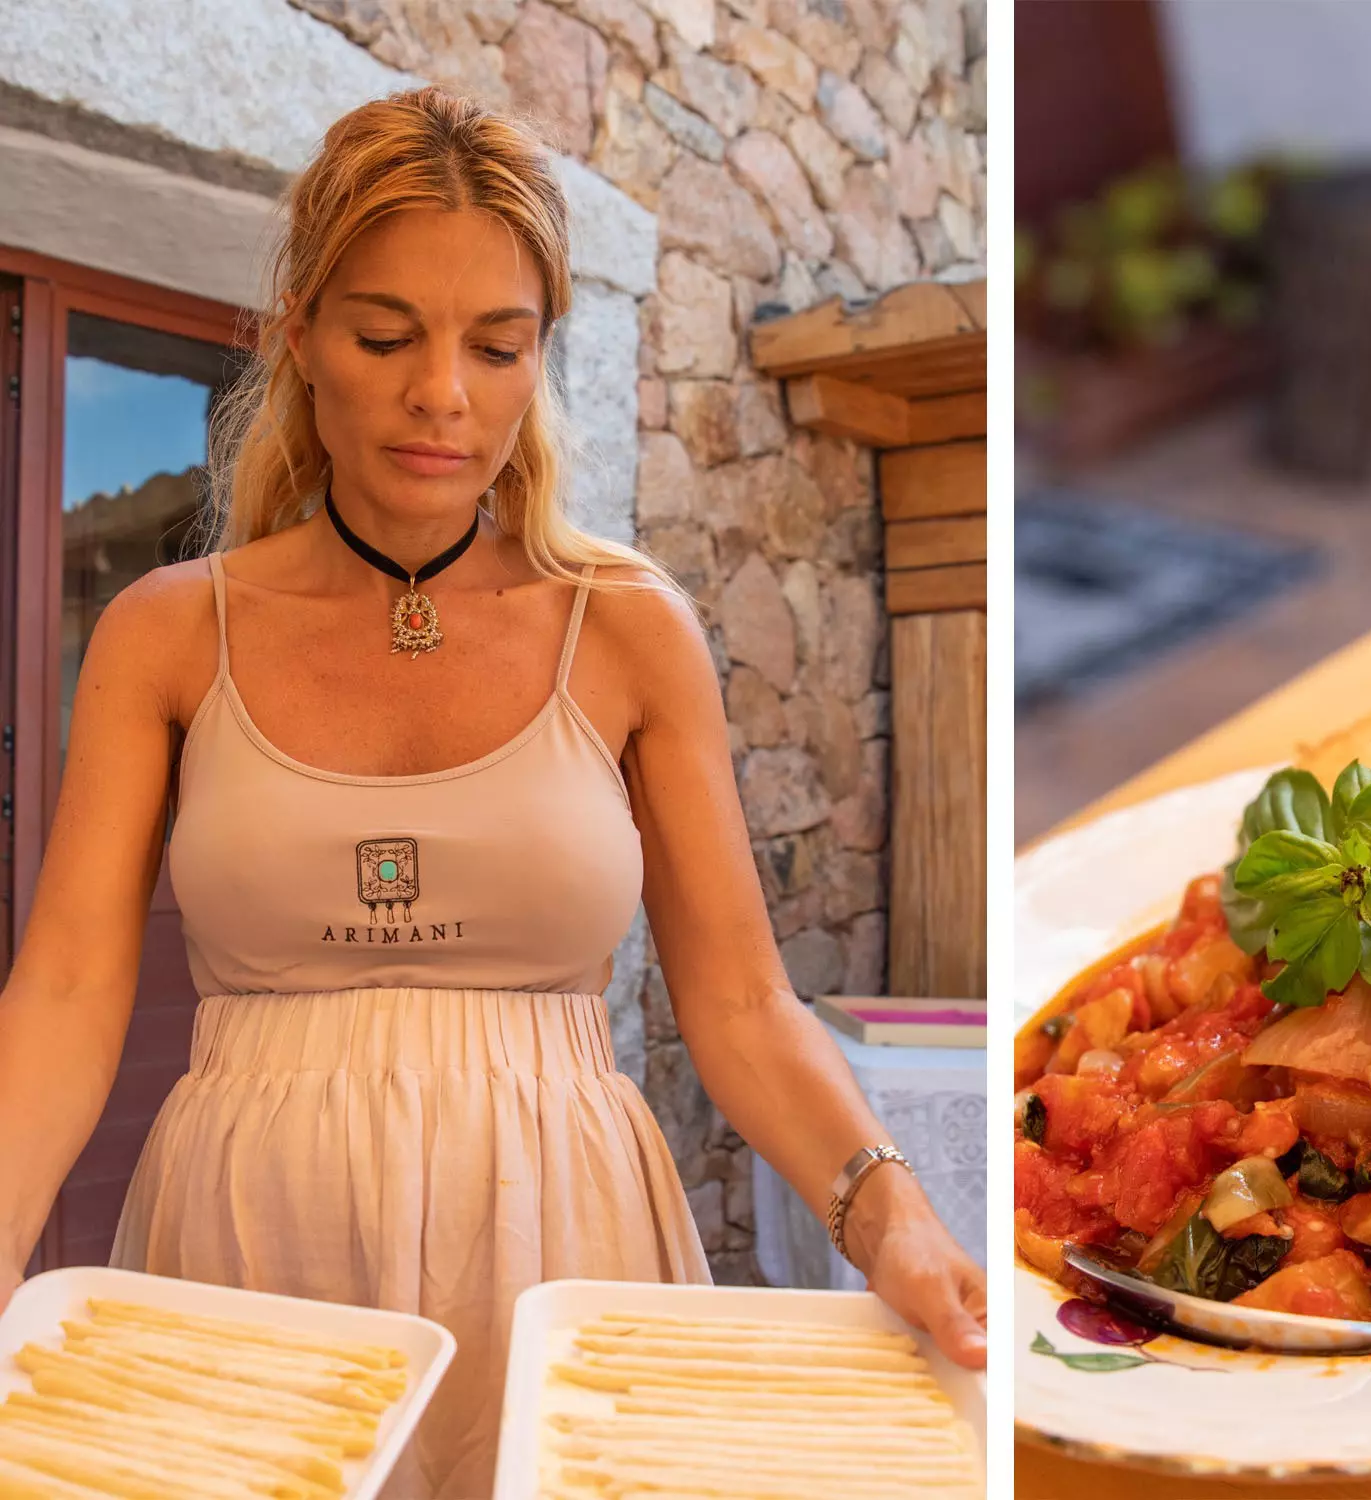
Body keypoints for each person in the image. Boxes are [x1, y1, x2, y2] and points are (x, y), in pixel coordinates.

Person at [0, 86, 985, 1498]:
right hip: (244, 1242)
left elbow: (744, 1005)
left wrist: (886, 1211)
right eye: (386, 335)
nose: (442, 396)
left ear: (539, 364)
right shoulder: (167, 630)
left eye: (498, 345)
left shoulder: (630, 626)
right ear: (302, 346)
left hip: (559, 1229)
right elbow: (69, 991)